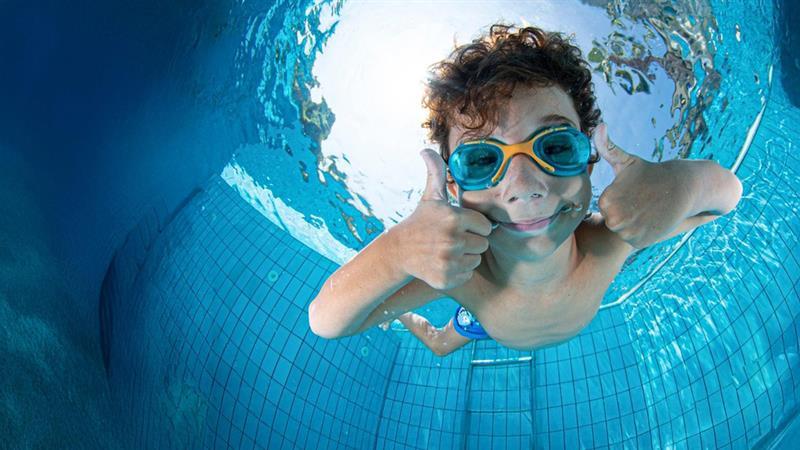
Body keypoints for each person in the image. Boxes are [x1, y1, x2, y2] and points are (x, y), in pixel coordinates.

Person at [308, 23, 743, 356]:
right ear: (453, 188)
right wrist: (398, 251)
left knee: (449, 341)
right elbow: (328, 322)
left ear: (590, 161)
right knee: (441, 345)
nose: (525, 189)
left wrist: (679, 183)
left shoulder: (611, 240)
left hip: (495, 324)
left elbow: (725, 197)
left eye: (554, 146)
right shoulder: (460, 272)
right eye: (482, 160)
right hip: (479, 317)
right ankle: (414, 320)